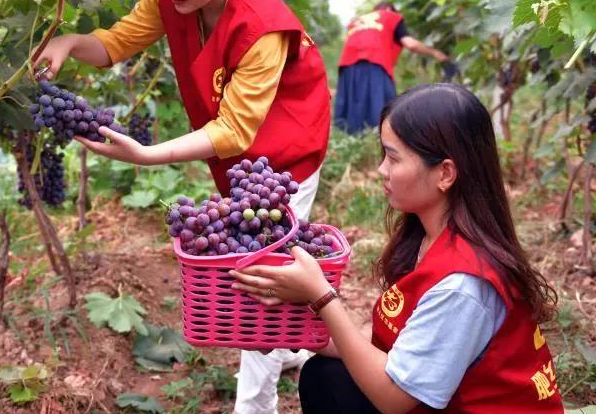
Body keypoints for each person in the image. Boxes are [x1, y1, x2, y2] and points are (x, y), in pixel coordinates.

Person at [31, 0, 331, 413]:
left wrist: (147, 154)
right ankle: (291, 347)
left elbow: (236, 129)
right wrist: (71, 42)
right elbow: (117, 43)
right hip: (236, 156)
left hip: (286, 157)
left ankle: (254, 405)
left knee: (259, 278)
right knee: (255, 268)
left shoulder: (263, 26)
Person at [231, 83, 563, 413]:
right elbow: (381, 341)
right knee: (326, 377)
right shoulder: (428, 237)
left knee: (334, 382)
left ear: (445, 173)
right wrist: (292, 331)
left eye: (393, 158)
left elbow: (394, 399)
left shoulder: (463, 285)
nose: (381, 170)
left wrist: (321, 296)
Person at [334, 2, 449, 135]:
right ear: (389, 9)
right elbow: (410, 44)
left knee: (354, 105)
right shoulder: (391, 16)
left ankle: (353, 138)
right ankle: (383, 137)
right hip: (374, 59)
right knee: (383, 105)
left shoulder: (358, 21)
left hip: (347, 64)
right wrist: (436, 53)